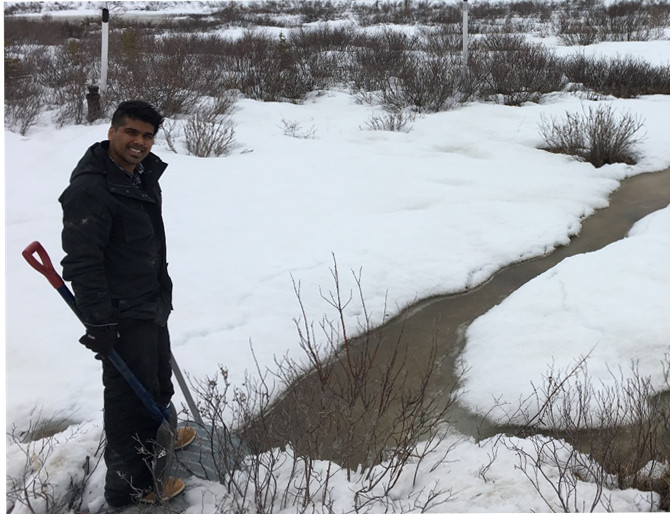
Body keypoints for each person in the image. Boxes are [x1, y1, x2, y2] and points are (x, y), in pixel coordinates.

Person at [59, 100, 190, 507]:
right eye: (131, 132)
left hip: (149, 301)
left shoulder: (138, 175)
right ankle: (129, 486)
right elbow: (83, 261)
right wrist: (98, 322)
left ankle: (160, 436)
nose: (140, 142)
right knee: (127, 399)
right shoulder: (90, 189)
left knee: (155, 380)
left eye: (147, 136)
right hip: (120, 312)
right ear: (112, 130)